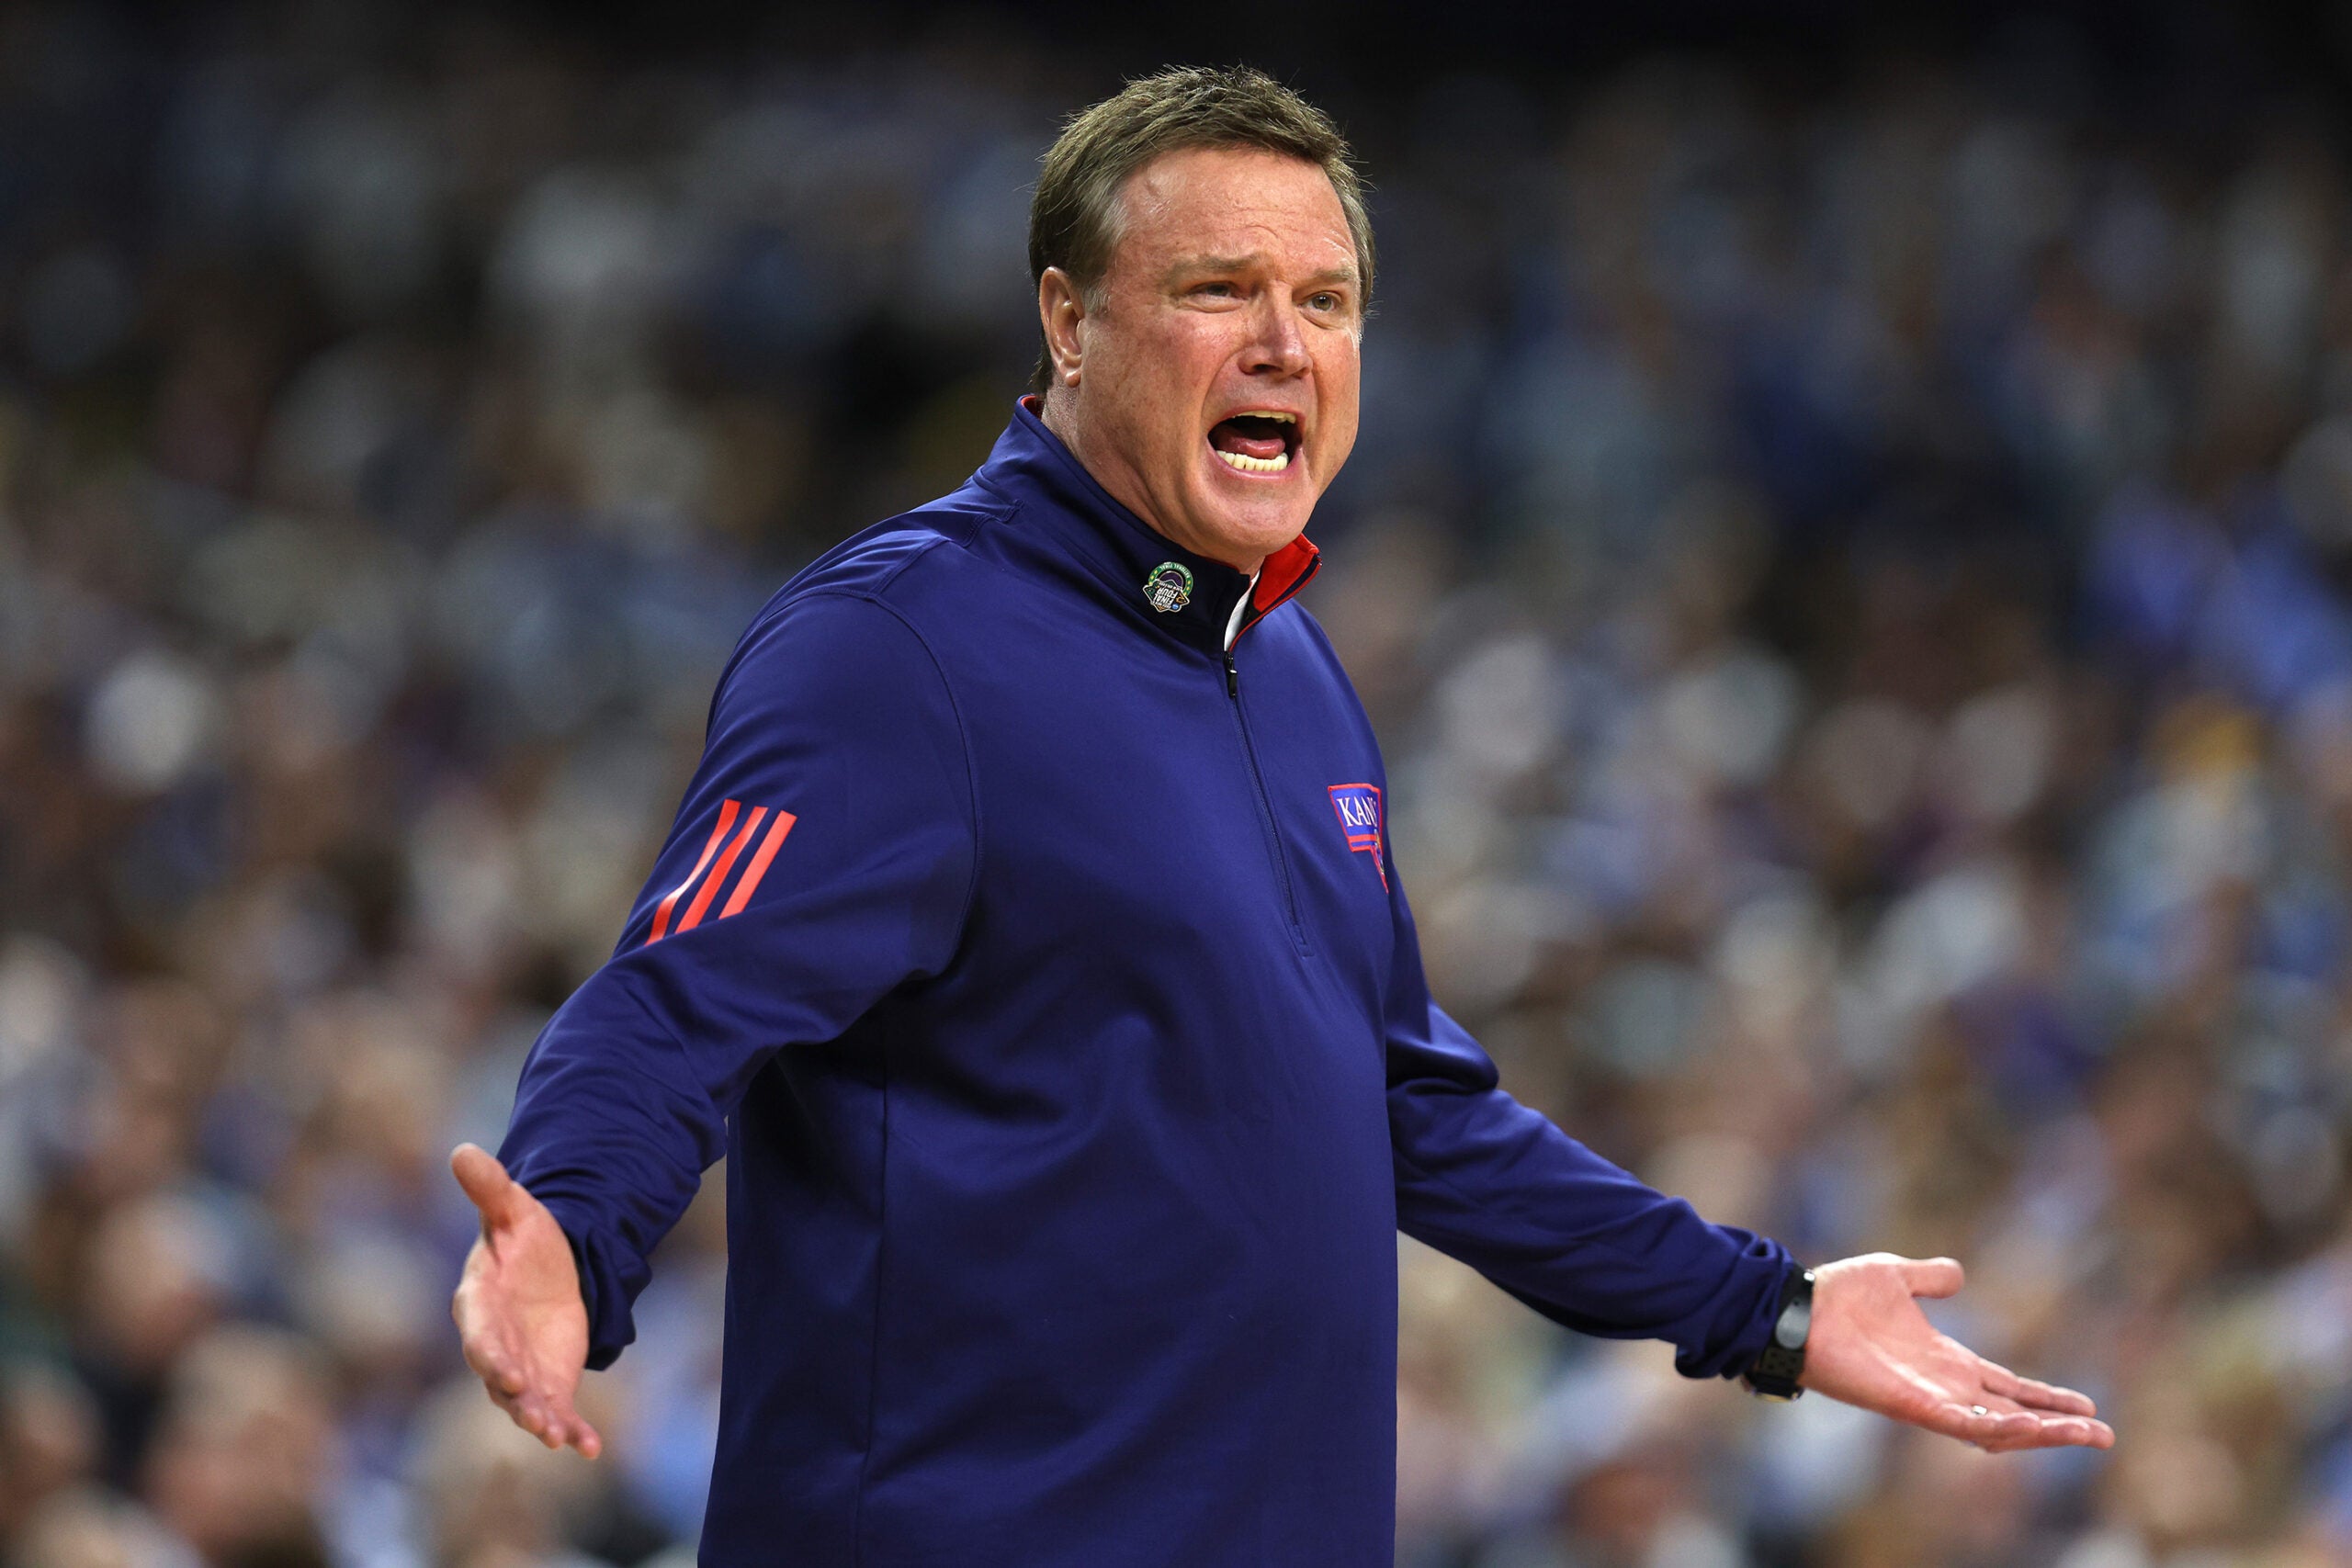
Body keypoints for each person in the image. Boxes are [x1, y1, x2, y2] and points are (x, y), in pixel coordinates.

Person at [449, 65, 2113, 1565]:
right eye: (1217, 290)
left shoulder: (1294, 664)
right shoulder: (898, 652)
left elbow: (1403, 1100)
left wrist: (1767, 1309)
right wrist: (569, 1238)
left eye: (1326, 299)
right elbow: (672, 1009)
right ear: (1068, 320)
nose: (1282, 343)